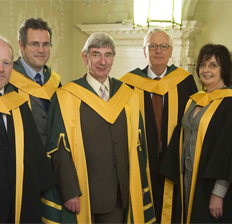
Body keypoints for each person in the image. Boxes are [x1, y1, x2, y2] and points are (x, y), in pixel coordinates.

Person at [42, 32, 155, 223]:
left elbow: (139, 145)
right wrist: (69, 192)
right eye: (96, 54)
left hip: (121, 193)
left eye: (108, 55)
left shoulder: (127, 96)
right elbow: (59, 149)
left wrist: (141, 185)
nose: (102, 61)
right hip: (83, 193)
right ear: (85, 57)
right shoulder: (66, 96)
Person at [0, 37, 56, 223]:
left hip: (22, 204)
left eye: (6, 63)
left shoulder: (18, 103)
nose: (1, 69)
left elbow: (35, 156)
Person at [120, 28, 198, 223]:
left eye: (164, 46)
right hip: (140, 161)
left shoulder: (185, 82)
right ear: (145, 51)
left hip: (175, 161)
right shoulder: (128, 84)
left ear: (171, 51)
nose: (158, 51)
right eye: (152, 46)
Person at [176, 44, 232, 223]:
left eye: (213, 65)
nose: (206, 70)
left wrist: (218, 193)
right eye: (203, 65)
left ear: (224, 69)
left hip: (211, 185)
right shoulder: (195, 100)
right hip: (187, 179)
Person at [9, 18, 61, 148]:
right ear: (21, 45)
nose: (41, 50)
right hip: (22, 160)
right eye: (34, 44)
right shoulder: (7, 81)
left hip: (53, 161)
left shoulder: (55, 81)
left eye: (46, 44)